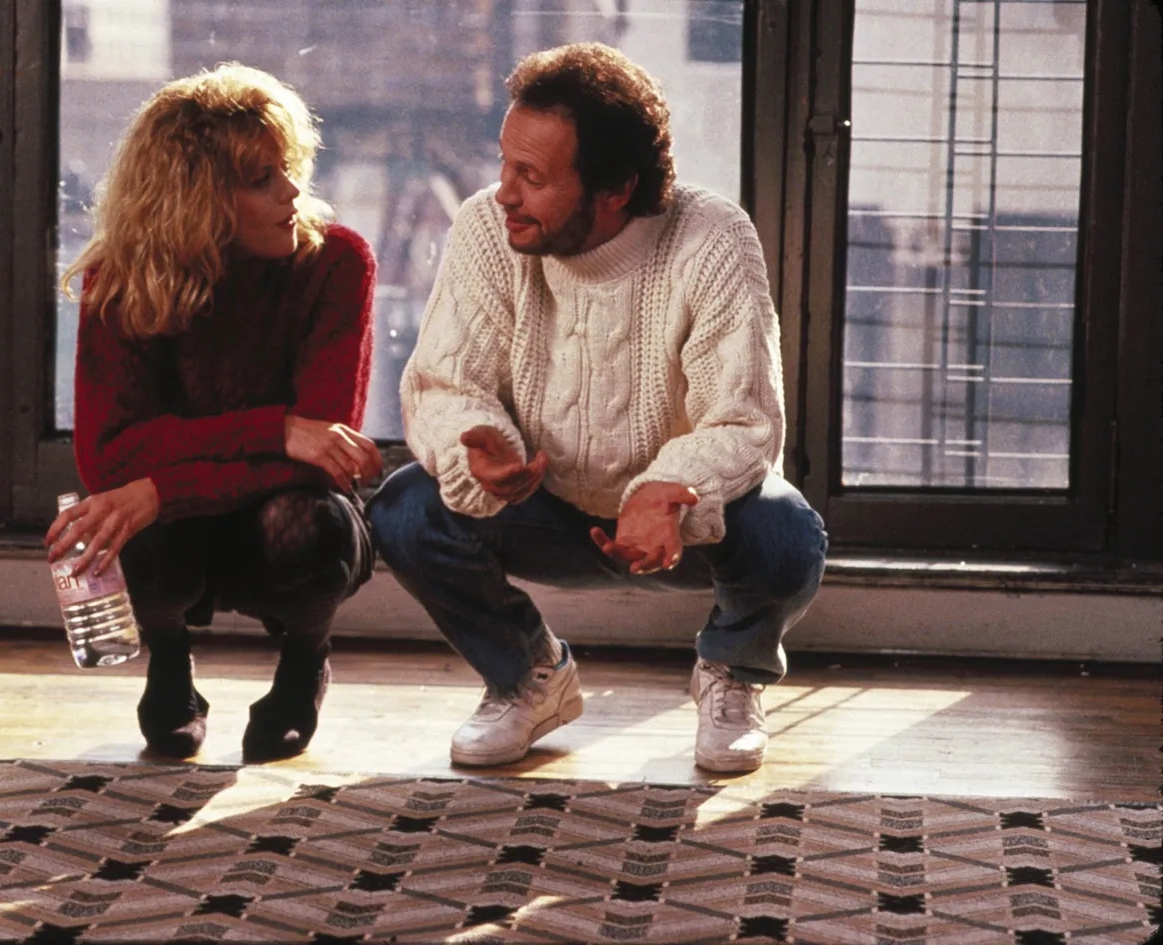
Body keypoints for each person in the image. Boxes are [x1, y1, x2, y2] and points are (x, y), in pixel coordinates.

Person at [367, 43, 827, 773]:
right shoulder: (488, 227)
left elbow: (744, 421)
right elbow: (442, 384)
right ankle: (528, 675)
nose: (504, 193)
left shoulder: (712, 237)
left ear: (615, 189)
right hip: (542, 507)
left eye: (532, 177)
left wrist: (666, 487)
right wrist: (477, 446)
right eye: (505, 164)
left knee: (789, 534)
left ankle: (732, 669)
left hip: (675, 521)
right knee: (403, 509)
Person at [44, 64, 382, 763]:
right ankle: (169, 657)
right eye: (262, 179)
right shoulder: (122, 278)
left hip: (284, 511)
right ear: (194, 200)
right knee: (122, 520)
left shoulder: (337, 262)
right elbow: (110, 458)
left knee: (311, 527)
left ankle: (306, 658)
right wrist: (274, 431)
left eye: (286, 169)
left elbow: (322, 458)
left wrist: (160, 484)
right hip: (180, 526)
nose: (292, 192)